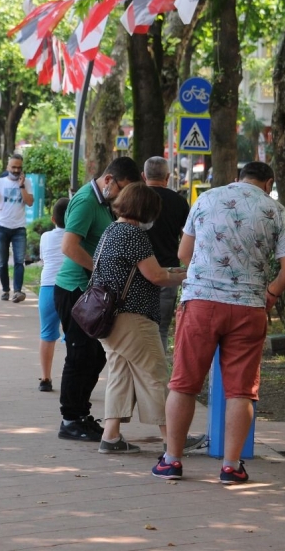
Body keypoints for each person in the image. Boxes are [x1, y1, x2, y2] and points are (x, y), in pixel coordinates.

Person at [153, 161, 285, 484]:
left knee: (184, 383)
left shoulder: (206, 200)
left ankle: (172, 461)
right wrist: (272, 293)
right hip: (248, 307)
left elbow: (183, 253)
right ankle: (231, 466)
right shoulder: (276, 211)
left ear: (238, 179)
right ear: (268, 183)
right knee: (241, 391)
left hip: (202, 303)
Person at [90, 183, 188, 454]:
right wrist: (186, 276)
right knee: (155, 374)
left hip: (108, 318)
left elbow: (141, 270)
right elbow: (155, 276)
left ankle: (111, 437)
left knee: (120, 374)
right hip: (133, 318)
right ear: (146, 210)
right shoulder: (133, 235)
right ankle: (173, 437)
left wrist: (172, 271)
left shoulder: (111, 230)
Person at [55, 157, 144, 442]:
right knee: (80, 356)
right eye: (123, 190)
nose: (124, 197)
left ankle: (81, 415)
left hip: (92, 290)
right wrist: (101, 268)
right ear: (108, 180)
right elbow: (69, 247)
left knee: (94, 358)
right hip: (77, 290)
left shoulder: (103, 203)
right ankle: (70, 420)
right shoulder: (85, 201)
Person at [143, 157, 191, 353]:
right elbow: (187, 240)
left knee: (138, 329)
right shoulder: (179, 202)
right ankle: (159, 378)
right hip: (168, 273)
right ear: (168, 177)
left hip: (139, 273)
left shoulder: (134, 199)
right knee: (160, 330)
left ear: (143, 176)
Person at [0, 153, 33, 303]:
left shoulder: (27, 182)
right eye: (13, 167)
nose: (16, 170)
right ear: (8, 167)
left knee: (19, 261)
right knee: (2, 262)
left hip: (19, 227)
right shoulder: (0, 182)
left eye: (19, 167)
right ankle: (5, 290)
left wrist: (21, 186)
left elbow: (29, 202)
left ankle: (17, 291)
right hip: (3, 227)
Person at [37, 197, 68, 393]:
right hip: (70, 288)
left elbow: (43, 258)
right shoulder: (78, 237)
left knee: (47, 335)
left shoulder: (45, 237)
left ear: (53, 219)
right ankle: (70, 379)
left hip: (47, 287)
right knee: (72, 336)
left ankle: (45, 378)